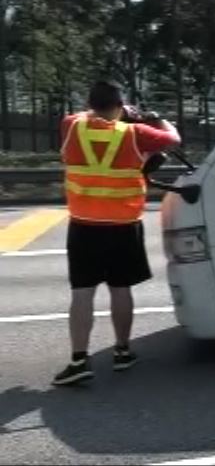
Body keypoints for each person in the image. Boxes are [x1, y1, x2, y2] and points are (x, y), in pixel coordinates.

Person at [52, 81, 181, 386]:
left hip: (83, 225)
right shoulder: (136, 134)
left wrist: (119, 112)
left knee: (82, 293)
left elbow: (88, 117)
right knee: (120, 289)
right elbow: (173, 139)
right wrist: (156, 118)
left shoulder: (71, 126)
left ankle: (78, 360)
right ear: (121, 105)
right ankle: (122, 352)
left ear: (89, 102)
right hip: (124, 226)